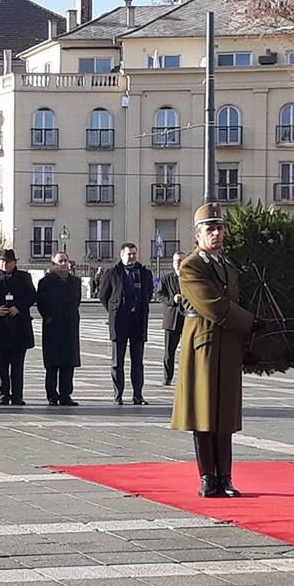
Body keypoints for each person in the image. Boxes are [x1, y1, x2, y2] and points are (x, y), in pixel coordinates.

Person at [172, 203, 254, 498]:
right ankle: (208, 476)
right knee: (205, 413)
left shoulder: (229, 267)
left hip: (227, 345)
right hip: (203, 345)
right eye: (210, 229)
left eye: (219, 229)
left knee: (225, 414)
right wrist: (250, 322)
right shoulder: (191, 266)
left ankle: (226, 477)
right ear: (197, 235)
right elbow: (214, 306)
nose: (216, 234)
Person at [99, 242, 153, 405]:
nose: (132, 257)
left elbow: (148, 293)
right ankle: (118, 395)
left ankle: (138, 395)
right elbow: (103, 295)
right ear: (121, 255)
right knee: (117, 362)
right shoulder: (112, 272)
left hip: (138, 321)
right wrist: (114, 309)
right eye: (129, 254)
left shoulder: (144, 273)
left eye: (134, 254)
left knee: (138, 361)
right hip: (119, 322)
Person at [0, 249, 36, 406]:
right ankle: (4, 394)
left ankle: (17, 395)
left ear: (14, 263)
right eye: (2, 262)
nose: (4, 264)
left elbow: (31, 296)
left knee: (18, 364)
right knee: (2, 364)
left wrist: (18, 307)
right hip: (0, 327)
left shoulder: (24, 277)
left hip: (19, 327)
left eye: (7, 262)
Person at [36, 251, 81, 406]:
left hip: (69, 326)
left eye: (65, 261)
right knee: (52, 364)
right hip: (52, 326)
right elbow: (41, 303)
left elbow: (76, 301)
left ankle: (66, 394)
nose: (63, 264)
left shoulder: (75, 281)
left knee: (68, 363)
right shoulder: (46, 282)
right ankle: (52, 395)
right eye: (60, 261)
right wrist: (49, 317)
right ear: (53, 264)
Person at [157, 252, 186, 386]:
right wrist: (172, 300)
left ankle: (187, 377)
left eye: (180, 260)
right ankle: (167, 377)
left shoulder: (190, 277)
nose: (178, 263)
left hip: (187, 318)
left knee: (188, 351)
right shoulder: (166, 278)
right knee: (169, 351)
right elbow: (159, 295)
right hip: (172, 319)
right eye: (175, 261)